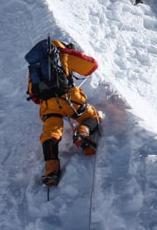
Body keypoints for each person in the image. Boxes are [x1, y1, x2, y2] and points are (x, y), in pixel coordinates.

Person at [25, 38, 102, 187]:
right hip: (70, 99)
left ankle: (51, 170)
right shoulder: (64, 54)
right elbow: (92, 66)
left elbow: (34, 96)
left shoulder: (34, 66)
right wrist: (72, 54)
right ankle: (82, 131)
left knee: (51, 132)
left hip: (49, 106)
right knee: (94, 116)